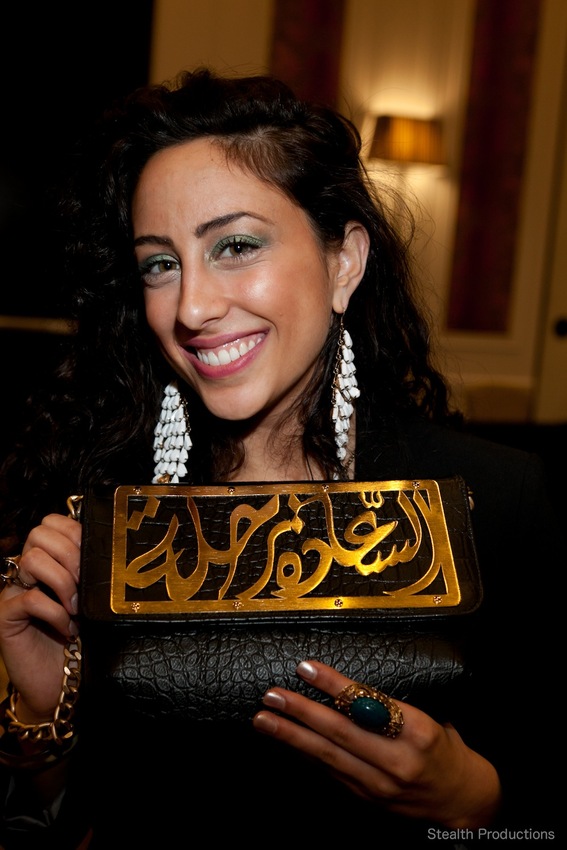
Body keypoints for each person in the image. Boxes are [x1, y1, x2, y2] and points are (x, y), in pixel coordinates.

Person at [0, 68, 560, 848]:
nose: (191, 306)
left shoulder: (494, 502)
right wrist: (39, 707)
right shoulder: (99, 506)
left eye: (235, 246)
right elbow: (67, 820)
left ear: (344, 262)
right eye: (160, 263)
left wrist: (473, 801)